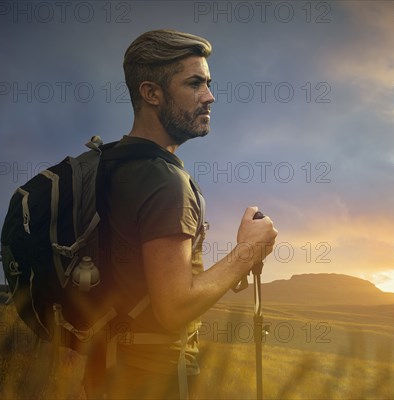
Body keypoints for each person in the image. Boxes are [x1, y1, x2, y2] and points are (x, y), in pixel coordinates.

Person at [83, 29, 278, 399]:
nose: (209, 97)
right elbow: (173, 308)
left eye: (207, 83)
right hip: (155, 379)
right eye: (194, 84)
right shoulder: (164, 182)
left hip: (105, 372)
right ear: (151, 93)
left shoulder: (109, 165)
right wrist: (248, 252)